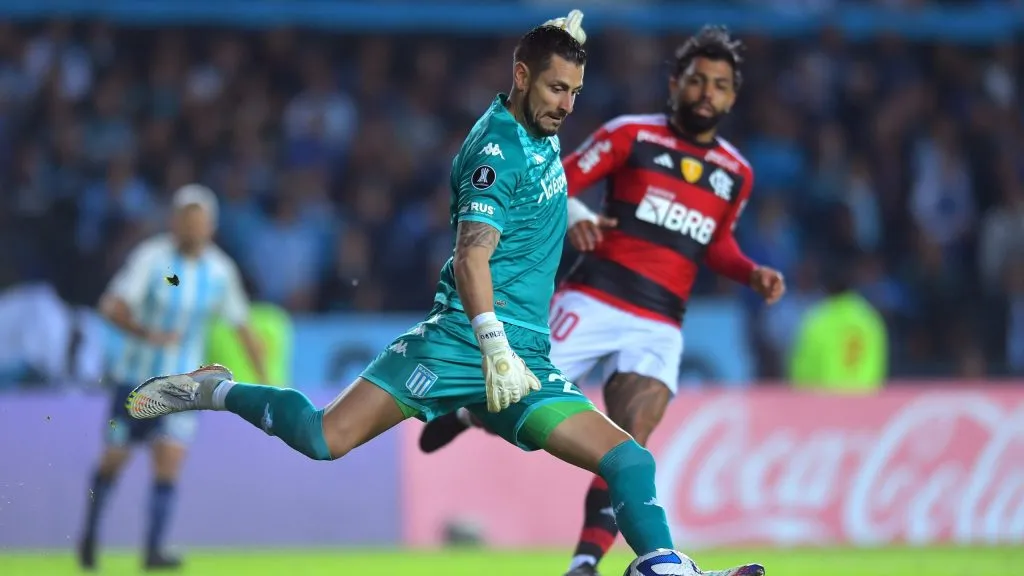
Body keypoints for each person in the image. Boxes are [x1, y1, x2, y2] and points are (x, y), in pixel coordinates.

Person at [124, 14, 764, 576]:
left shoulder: (539, 123)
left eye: (574, 91)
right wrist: (492, 346)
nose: (567, 105)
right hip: (460, 344)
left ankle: (662, 567)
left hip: (527, 361)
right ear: (520, 76)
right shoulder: (496, 150)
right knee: (324, 438)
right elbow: (471, 256)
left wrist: (561, 41)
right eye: (555, 88)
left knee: (629, 461)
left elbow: (545, 151)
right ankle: (215, 389)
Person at [416, 25, 785, 576]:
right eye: (697, 80)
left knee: (631, 443)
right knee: (521, 406)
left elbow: (715, 243)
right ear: (675, 83)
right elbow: (555, 179)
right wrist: (578, 214)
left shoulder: (736, 174)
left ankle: (586, 563)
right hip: (594, 299)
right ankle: (471, 411)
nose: (707, 92)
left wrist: (749, 272)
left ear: (733, 97)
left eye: (721, 85)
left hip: (661, 322)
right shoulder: (631, 135)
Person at [78, 184, 266, 571]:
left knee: (169, 461)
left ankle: (153, 551)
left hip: (182, 386)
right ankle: (90, 537)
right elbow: (111, 306)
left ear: (211, 226)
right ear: (174, 222)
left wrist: (266, 379)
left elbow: (242, 325)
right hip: (134, 379)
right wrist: (147, 333)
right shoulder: (152, 258)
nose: (192, 228)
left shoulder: (220, 270)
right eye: (186, 220)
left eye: (199, 221)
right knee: (114, 458)